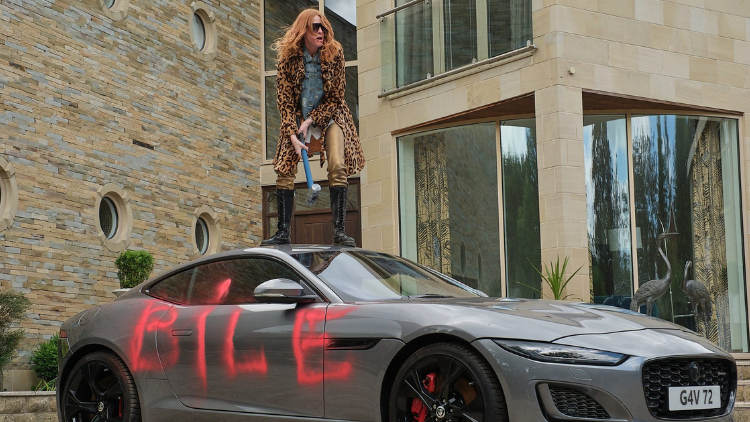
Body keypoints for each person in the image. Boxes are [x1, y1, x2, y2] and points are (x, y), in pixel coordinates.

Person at [262, 8, 365, 247]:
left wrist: (311, 121)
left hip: (330, 115)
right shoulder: (288, 58)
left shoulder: (335, 52)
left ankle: (339, 231)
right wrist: (293, 135)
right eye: (315, 27)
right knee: (284, 169)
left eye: (324, 27)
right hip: (296, 118)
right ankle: (282, 232)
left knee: (337, 165)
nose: (321, 32)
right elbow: (284, 100)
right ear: (303, 31)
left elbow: (337, 96)